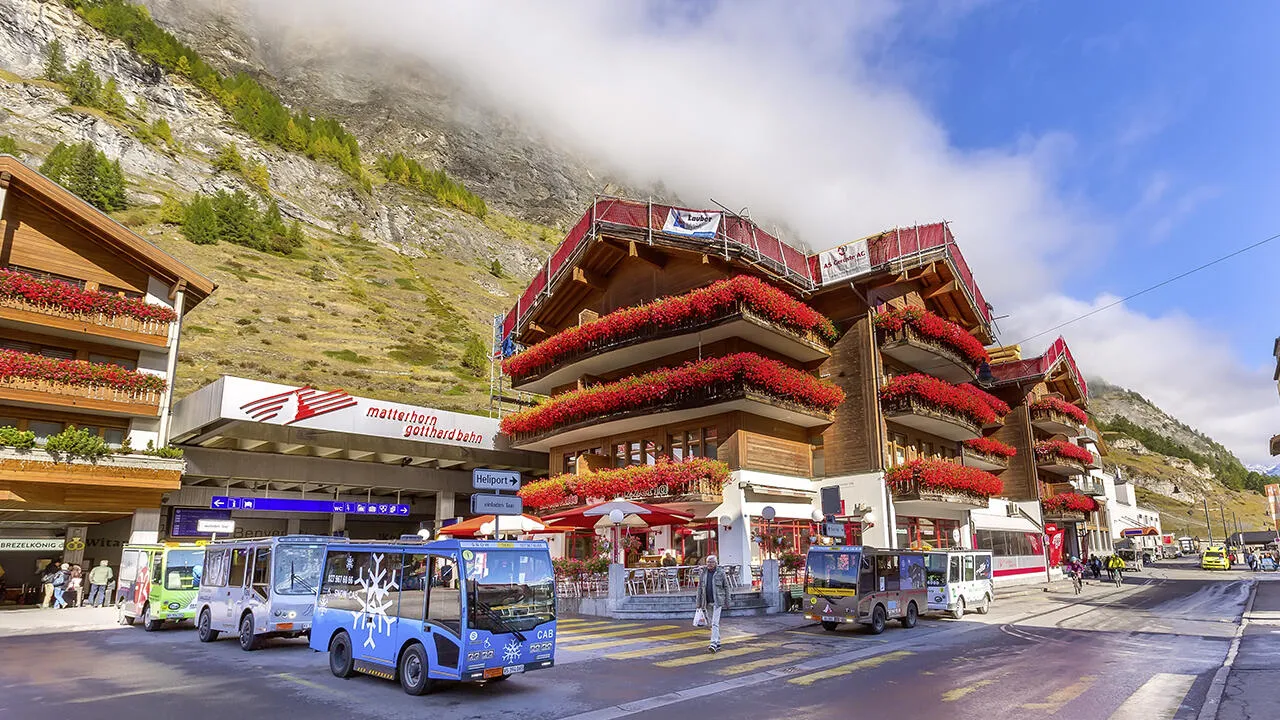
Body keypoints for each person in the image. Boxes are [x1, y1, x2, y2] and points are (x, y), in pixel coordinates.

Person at [696, 555, 730, 653]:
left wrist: (728, 601)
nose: (709, 564)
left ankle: (713, 643)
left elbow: (726, 587)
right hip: (707, 601)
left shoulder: (720, 572)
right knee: (711, 623)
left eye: (711, 562)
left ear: (716, 563)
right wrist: (698, 603)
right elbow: (699, 588)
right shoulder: (703, 573)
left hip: (717, 601)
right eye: (708, 562)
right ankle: (718, 642)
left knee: (715, 623)